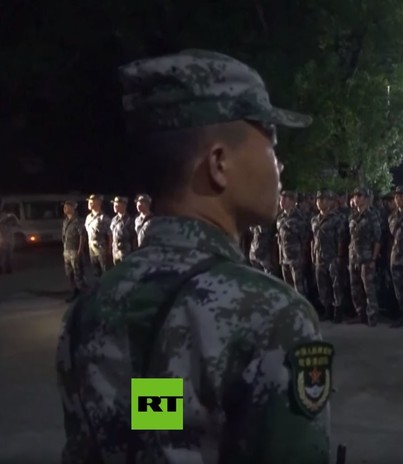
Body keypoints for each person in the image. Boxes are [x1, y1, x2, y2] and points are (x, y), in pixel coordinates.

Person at [56, 49, 332, 463]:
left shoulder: (91, 308)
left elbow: (149, 410)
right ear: (219, 163)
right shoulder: (271, 315)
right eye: (271, 144)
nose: (281, 164)